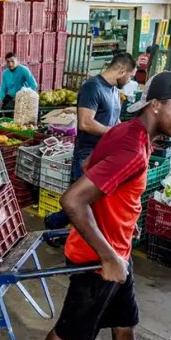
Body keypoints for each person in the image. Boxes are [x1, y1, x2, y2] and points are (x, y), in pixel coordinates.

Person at [9, 71, 171, 340]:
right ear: (156, 105)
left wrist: (124, 217)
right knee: (69, 329)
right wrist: (108, 256)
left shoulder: (128, 132)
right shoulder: (131, 148)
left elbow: (89, 168)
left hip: (116, 252)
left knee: (125, 323)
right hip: (98, 258)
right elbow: (73, 199)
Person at [44, 51, 137, 230]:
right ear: (122, 70)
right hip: (87, 155)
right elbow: (85, 123)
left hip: (104, 154)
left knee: (88, 200)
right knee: (82, 200)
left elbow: (114, 120)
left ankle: (56, 224)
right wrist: (114, 134)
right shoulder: (92, 87)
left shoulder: (114, 92)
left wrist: (125, 133)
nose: (129, 81)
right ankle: (57, 227)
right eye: (130, 76)